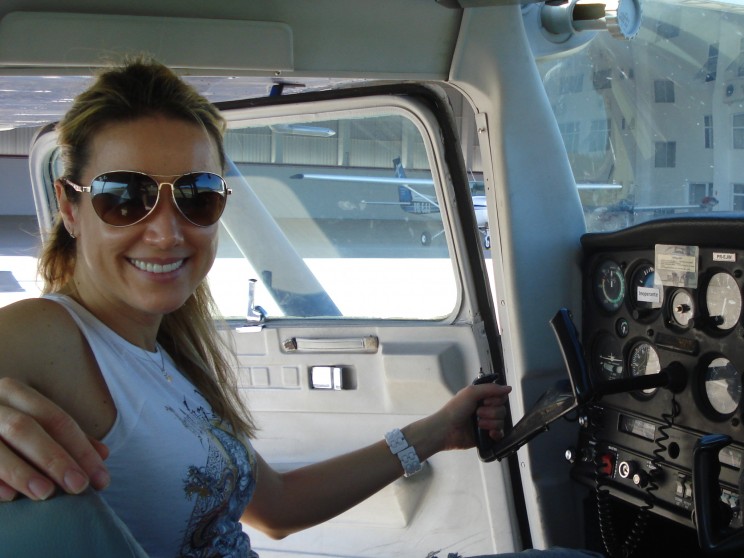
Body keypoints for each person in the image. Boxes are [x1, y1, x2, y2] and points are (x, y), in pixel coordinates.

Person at [0, 56, 518, 557]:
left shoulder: (169, 356)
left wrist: (438, 431)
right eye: (125, 197)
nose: (167, 232)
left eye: (196, 195)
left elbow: (278, 507)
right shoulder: (49, 332)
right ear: (70, 207)